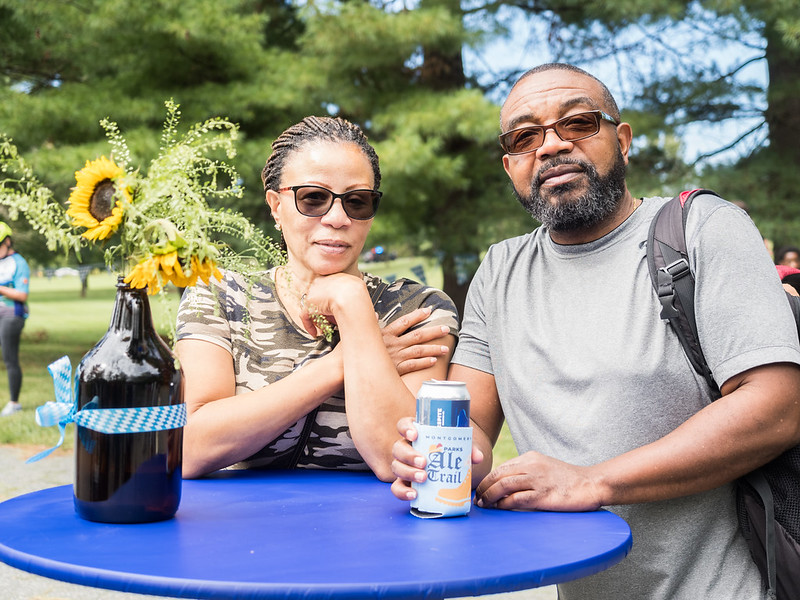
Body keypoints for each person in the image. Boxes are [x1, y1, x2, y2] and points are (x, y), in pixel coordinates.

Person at [391, 63, 800, 599]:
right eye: (525, 136)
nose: (550, 146)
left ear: (622, 140)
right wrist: (440, 461)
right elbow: (473, 434)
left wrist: (593, 480)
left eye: (578, 123)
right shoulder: (500, 270)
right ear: (510, 163)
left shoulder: (702, 229)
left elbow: (777, 408)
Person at [175, 116, 458, 480]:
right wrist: (339, 363)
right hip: (243, 530)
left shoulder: (416, 309)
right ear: (276, 206)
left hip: (376, 532)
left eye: (357, 201)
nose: (338, 218)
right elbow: (189, 448)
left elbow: (402, 458)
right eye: (313, 198)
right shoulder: (221, 296)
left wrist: (352, 300)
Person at [0, 222, 30, 417]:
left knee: (10, 358)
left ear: (8, 241)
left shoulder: (19, 263)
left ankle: (14, 403)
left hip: (12, 315)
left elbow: (22, 294)